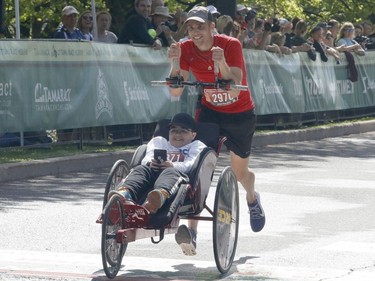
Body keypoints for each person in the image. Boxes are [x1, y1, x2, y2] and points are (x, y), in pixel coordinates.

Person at [167, 6, 265, 255]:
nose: (195, 32)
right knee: (199, 167)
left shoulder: (230, 45)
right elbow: (175, 92)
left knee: (240, 172)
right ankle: (192, 232)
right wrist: (175, 62)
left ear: (212, 27)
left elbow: (233, 88)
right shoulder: (186, 48)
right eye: (191, 27)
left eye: (200, 26)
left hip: (239, 114)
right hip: (210, 112)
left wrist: (220, 62)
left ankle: (252, 199)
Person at [109, 113, 206, 216]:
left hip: (176, 176)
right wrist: (150, 162)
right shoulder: (159, 141)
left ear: (193, 135)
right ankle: (124, 194)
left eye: (183, 131)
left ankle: (157, 198)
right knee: (141, 169)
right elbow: (147, 156)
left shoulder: (196, 145)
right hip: (153, 172)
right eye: (174, 130)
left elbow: (190, 164)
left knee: (170, 171)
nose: (177, 134)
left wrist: (172, 165)